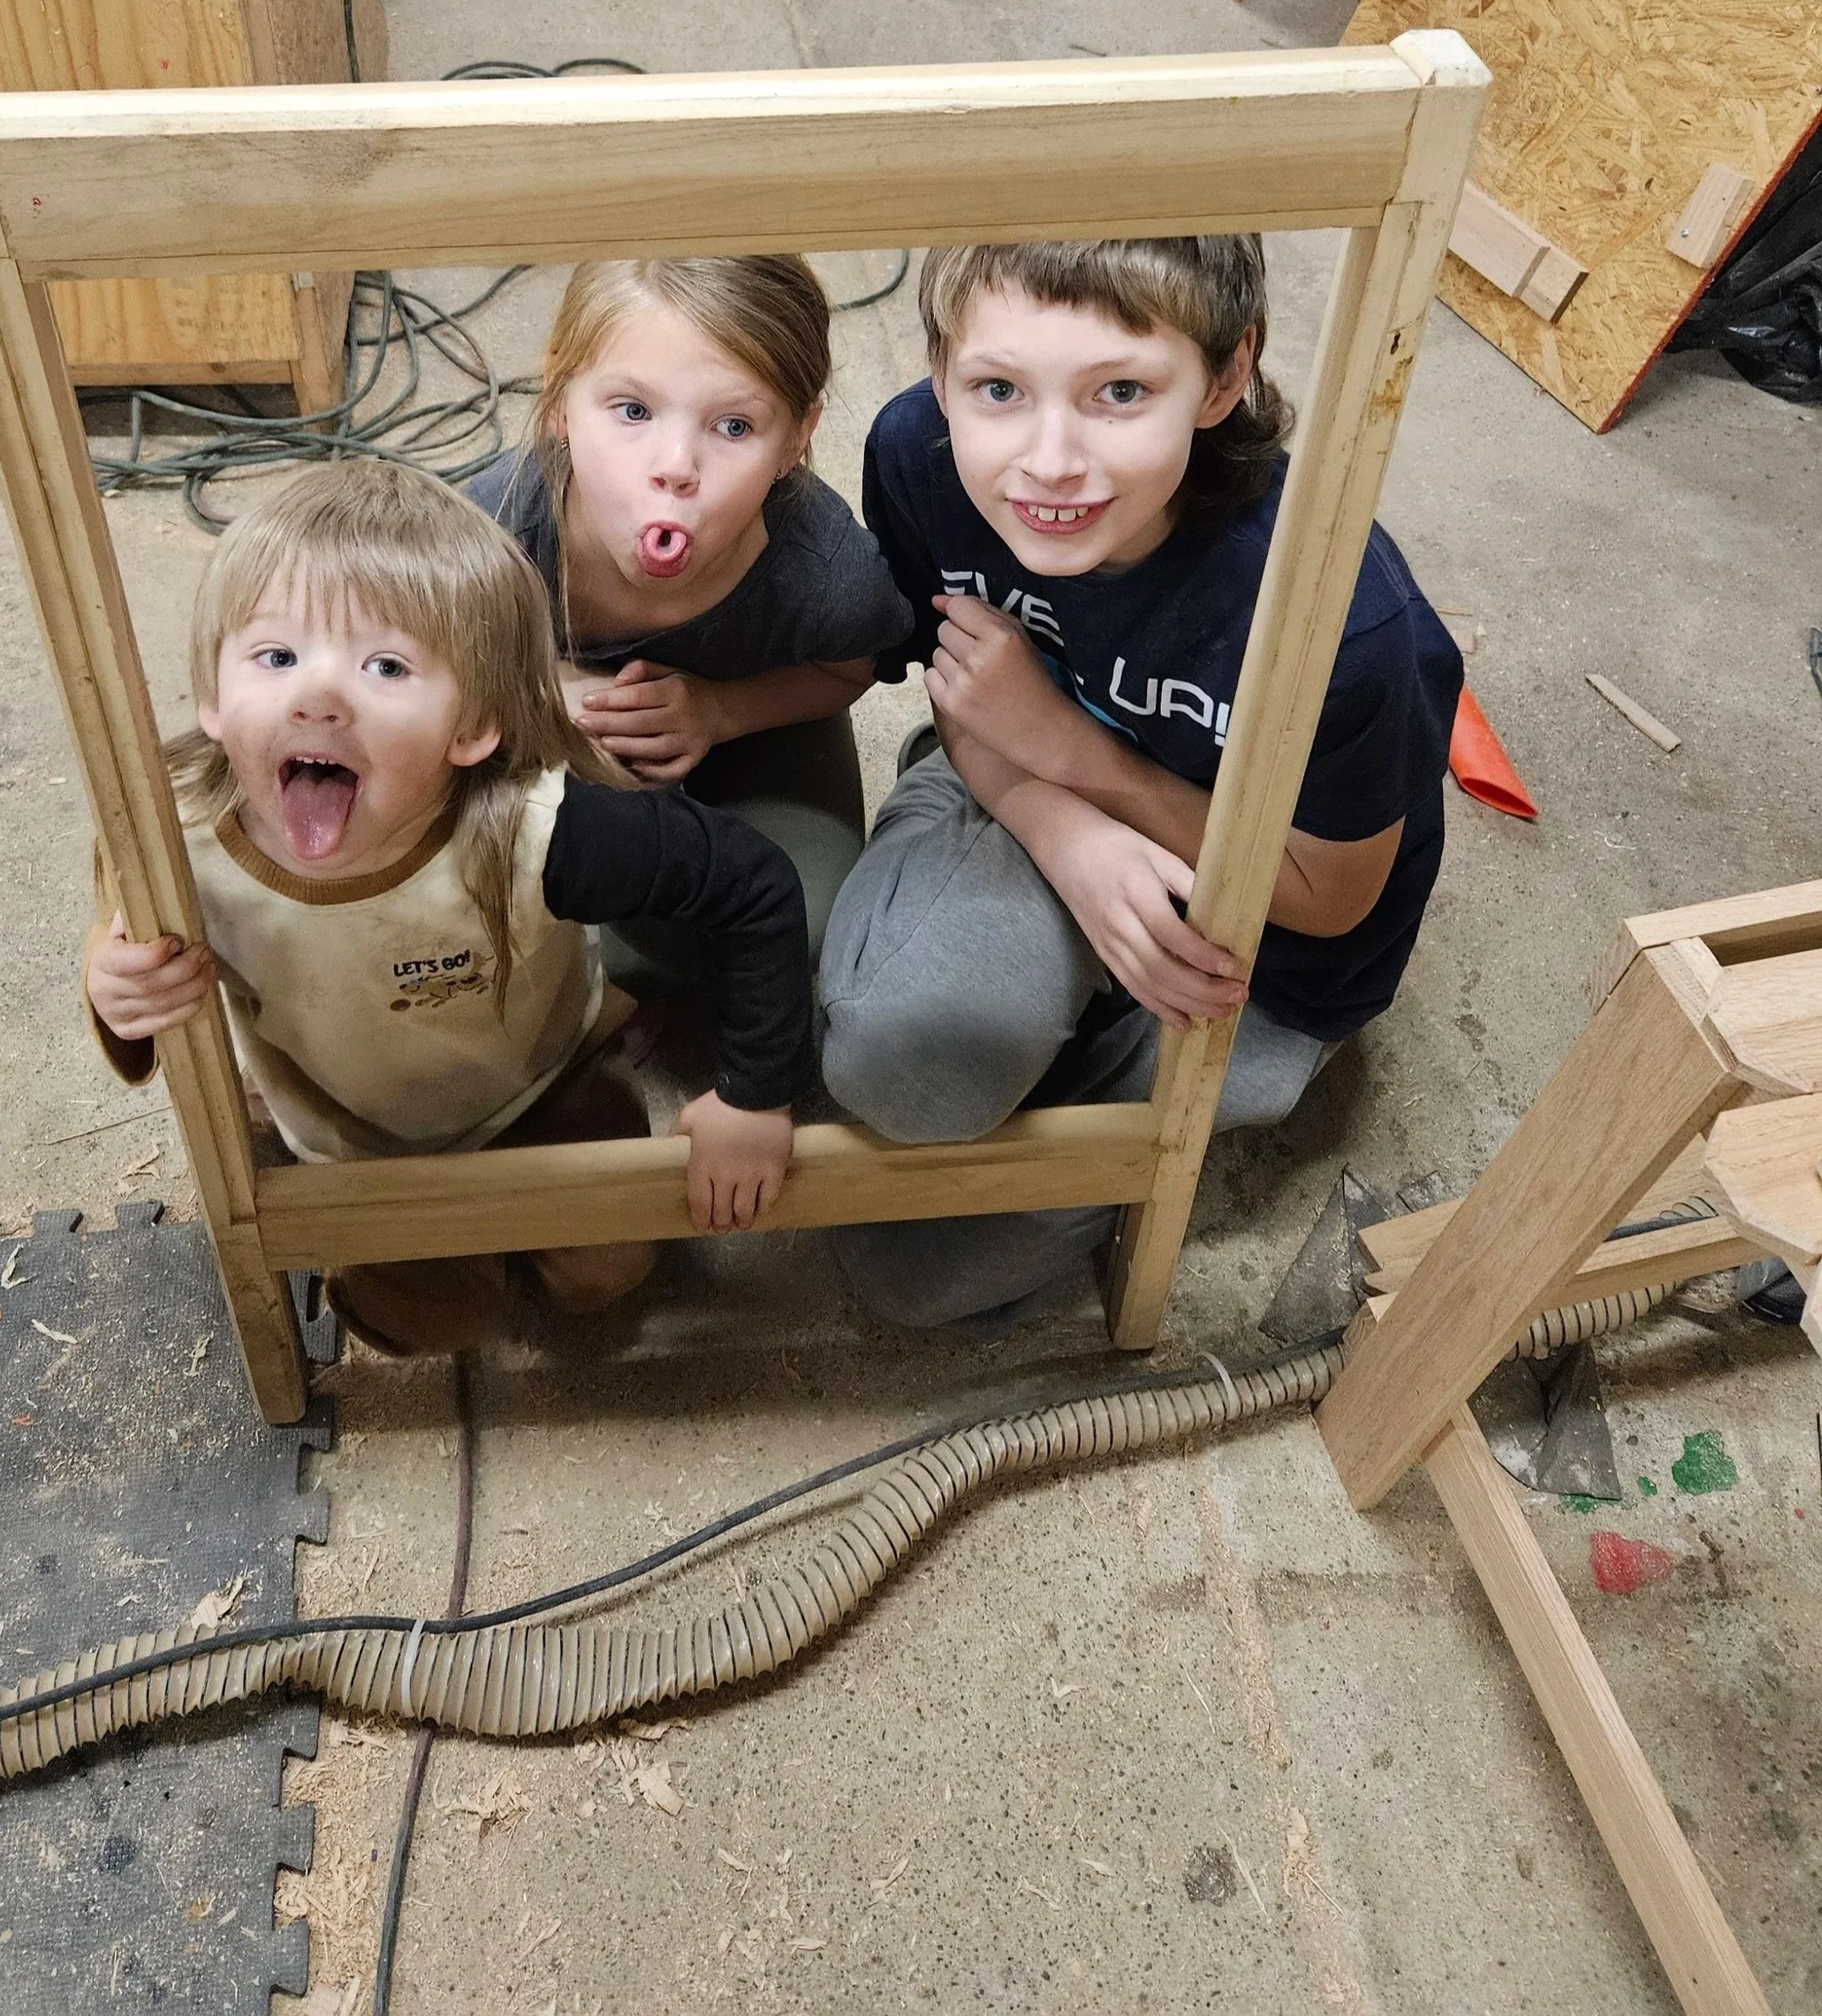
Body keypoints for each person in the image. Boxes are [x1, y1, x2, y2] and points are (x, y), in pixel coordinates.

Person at [820, 237, 1462, 1330]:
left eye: (1120, 390)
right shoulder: (920, 456)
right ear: (940, 374)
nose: (1050, 460)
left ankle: (1090, 1055)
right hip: (1019, 786)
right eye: (997, 389)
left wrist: (1075, 750)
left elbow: (1329, 894)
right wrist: (1059, 824)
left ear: (1224, 376)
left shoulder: (1343, 619)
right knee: (901, 1068)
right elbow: (966, 698)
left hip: (1258, 945)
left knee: (902, 1278)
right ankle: (1031, 1002)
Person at [82, 460, 815, 1356]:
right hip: (341, 1130)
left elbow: (753, 882)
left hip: (542, 1082)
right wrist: (113, 986)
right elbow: (125, 943)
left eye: (386, 664)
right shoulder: (173, 835)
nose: (317, 693)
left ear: (472, 725)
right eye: (274, 656)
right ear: (214, 700)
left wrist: (754, 1093)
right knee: (427, 1322)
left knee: (605, 1278)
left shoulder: (538, 826)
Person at [467, 255, 911, 971]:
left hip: (751, 718)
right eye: (634, 411)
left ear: (797, 439)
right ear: (559, 401)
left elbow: (847, 669)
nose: (675, 465)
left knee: (800, 938)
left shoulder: (825, 576)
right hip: (531, 708)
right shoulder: (483, 536)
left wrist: (720, 712)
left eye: (734, 426)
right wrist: (549, 687)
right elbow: (414, 662)